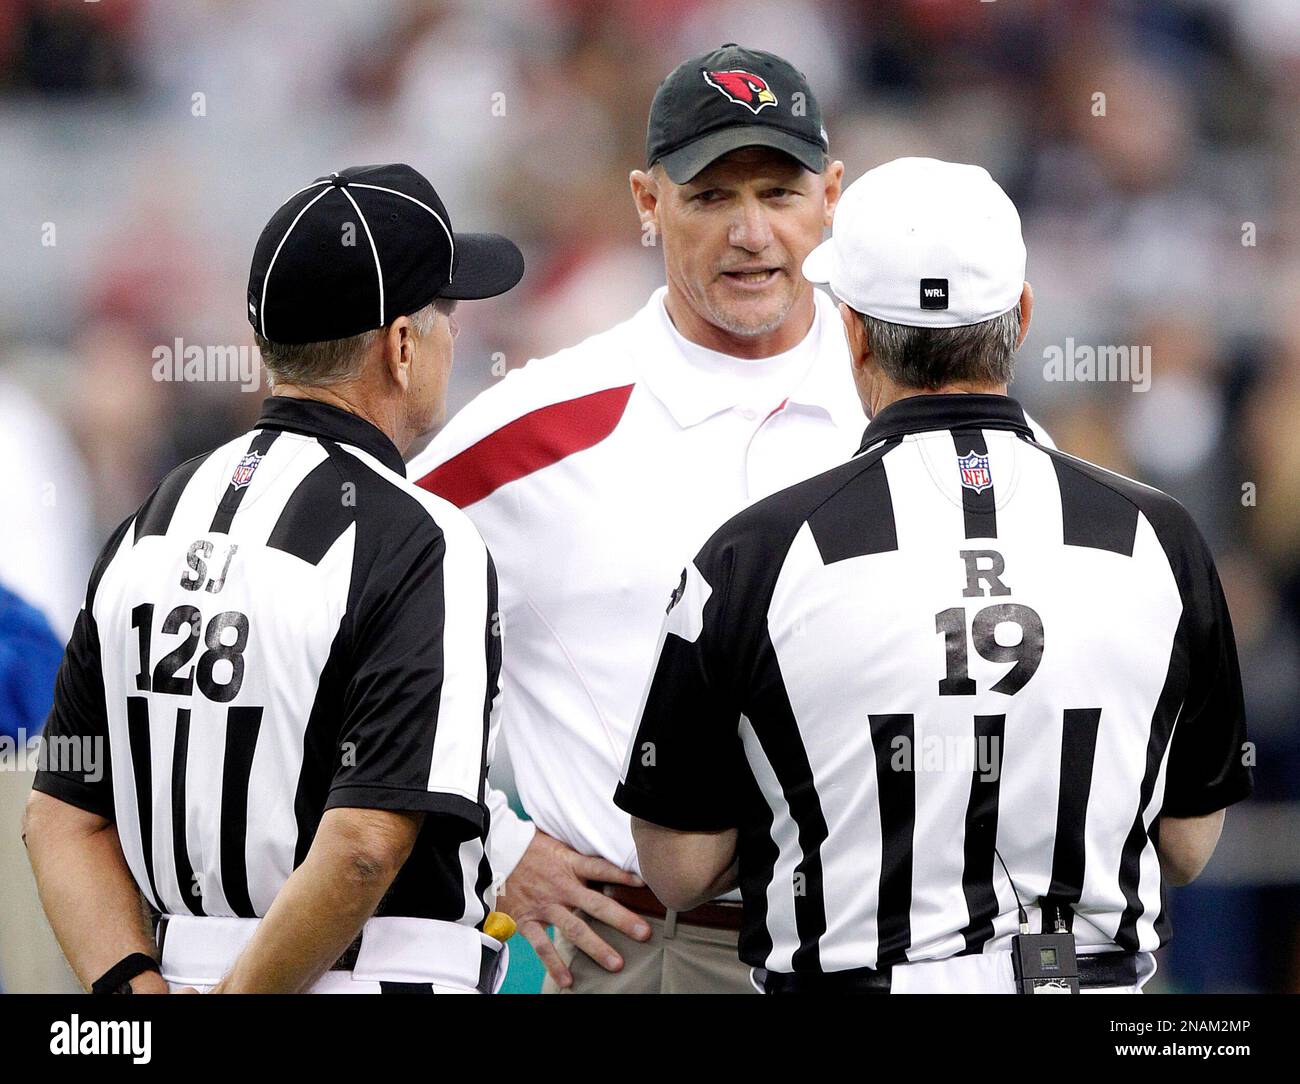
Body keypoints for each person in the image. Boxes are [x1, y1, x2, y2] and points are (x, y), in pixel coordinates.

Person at [616, 157, 1252, 994]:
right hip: (1089, 986)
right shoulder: (1158, 538)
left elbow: (680, 867)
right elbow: (1187, 845)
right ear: (1021, 318)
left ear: (851, 331)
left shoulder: (756, 553)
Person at [23, 163, 524, 994]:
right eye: (444, 316)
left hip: (172, 974)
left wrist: (134, 993)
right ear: (401, 347)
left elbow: (61, 814)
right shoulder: (421, 539)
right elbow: (365, 842)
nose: (453, 338)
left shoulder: (152, 519)